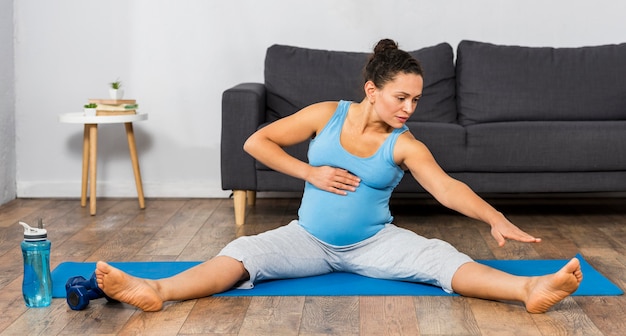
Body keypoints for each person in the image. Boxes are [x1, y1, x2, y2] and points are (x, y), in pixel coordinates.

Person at [95, 39, 582, 314]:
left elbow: (446, 187)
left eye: (416, 99)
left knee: (440, 260)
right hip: (307, 239)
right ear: (372, 90)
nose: (410, 108)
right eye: (400, 98)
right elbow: (255, 142)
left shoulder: (405, 143)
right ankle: (155, 291)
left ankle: (528, 290)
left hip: (375, 243)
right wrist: (311, 171)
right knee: (241, 255)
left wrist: (494, 217)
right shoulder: (326, 114)